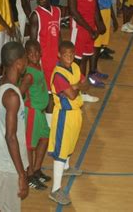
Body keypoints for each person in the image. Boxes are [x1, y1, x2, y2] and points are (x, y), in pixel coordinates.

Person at [0, 41, 29, 212]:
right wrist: (21, 174)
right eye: (25, 59)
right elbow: (11, 137)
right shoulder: (12, 96)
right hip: (9, 162)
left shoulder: (3, 83)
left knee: (2, 206)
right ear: (19, 63)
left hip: (2, 158)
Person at [48, 41, 88, 206]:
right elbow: (72, 94)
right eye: (66, 54)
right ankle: (55, 190)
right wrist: (75, 87)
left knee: (70, 144)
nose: (69, 57)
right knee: (61, 150)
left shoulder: (76, 67)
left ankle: (66, 167)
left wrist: (74, 87)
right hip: (64, 115)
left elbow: (83, 83)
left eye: (72, 54)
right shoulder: (58, 74)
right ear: (59, 54)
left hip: (76, 113)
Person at [66, 0, 105, 95]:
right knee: (75, 60)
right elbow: (73, 11)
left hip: (90, 27)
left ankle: (81, 92)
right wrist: (89, 29)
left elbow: (93, 5)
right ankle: (70, 90)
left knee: (86, 58)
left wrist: (97, 23)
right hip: (79, 27)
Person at [18, 40, 51, 191]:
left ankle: (36, 169)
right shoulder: (29, 74)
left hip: (40, 113)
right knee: (30, 146)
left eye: (37, 52)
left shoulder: (38, 66)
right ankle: (29, 175)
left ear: (40, 52)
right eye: (30, 53)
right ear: (26, 54)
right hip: (32, 113)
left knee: (44, 138)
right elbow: (19, 92)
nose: (34, 55)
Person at [29, 0, 60, 129]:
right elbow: (33, 42)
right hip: (44, 61)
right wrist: (34, 63)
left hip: (56, 59)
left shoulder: (57, 11)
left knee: (53, 93)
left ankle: (49, 122)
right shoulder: (36, 15)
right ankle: (46, 125)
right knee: (47, 94)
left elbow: (58, 34)